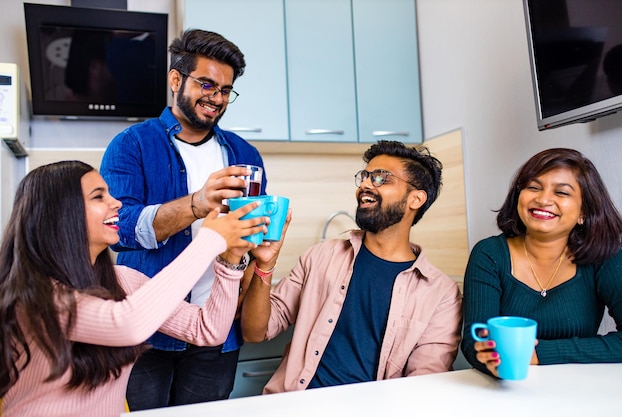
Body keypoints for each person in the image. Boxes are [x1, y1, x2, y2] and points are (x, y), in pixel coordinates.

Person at [0, 161, 270, 417]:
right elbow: (127, 323)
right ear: (61, 214)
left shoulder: (122, 280)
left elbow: (207, 330)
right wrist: (210, 240)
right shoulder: (36, 296)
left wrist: (230, 259)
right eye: (98, 196)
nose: (116, 202)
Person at [100, 29, 267, 409]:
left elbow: (248, 237)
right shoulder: (132, 144)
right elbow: (119, 229)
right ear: (176, 79)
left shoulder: (245, 154)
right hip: (146, 331)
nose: (217, 98)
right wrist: (197, 203)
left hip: (217, 331)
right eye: (207, 84)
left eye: (225, 90)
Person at [240, 140, 463, 394]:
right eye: (365, 176)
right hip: (297, 404)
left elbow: (425, 381)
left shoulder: (441, 293)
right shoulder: (320, 256)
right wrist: (265, 264)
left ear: (416, 199)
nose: (366, 184)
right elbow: (255, 331)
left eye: (381, 178)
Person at [461, 148, 622, 378]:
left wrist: (539, 353)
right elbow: (473, 339)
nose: (543, 199)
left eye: (562, 192)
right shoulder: (489, 254)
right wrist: (488, 359)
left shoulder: (605, 256)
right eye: (534, 187)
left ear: (584, 212)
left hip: (581, 390)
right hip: (504, 390)